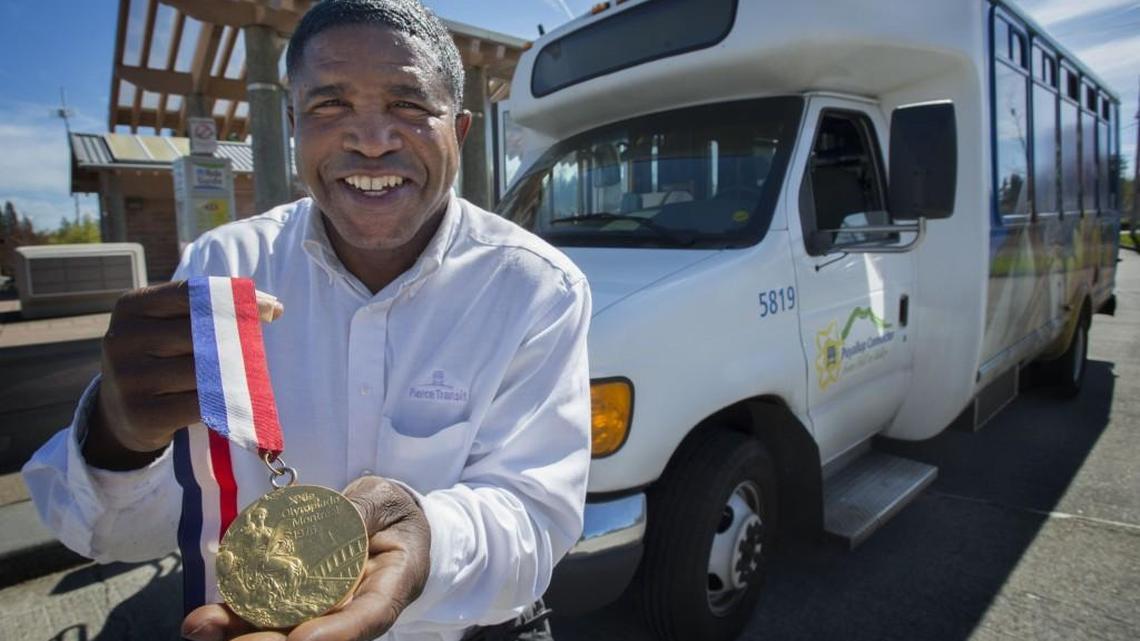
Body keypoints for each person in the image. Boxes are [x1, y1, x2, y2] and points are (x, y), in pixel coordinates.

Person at [21, 1, 592, 640]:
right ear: (292, 125)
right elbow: (112, 531)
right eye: (328, 106)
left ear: (457, 131)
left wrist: (429, 538)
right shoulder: (223, 267)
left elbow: (537, 519)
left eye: (408, 105)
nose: (371, 140)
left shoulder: (535, 286)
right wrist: (119, 440)